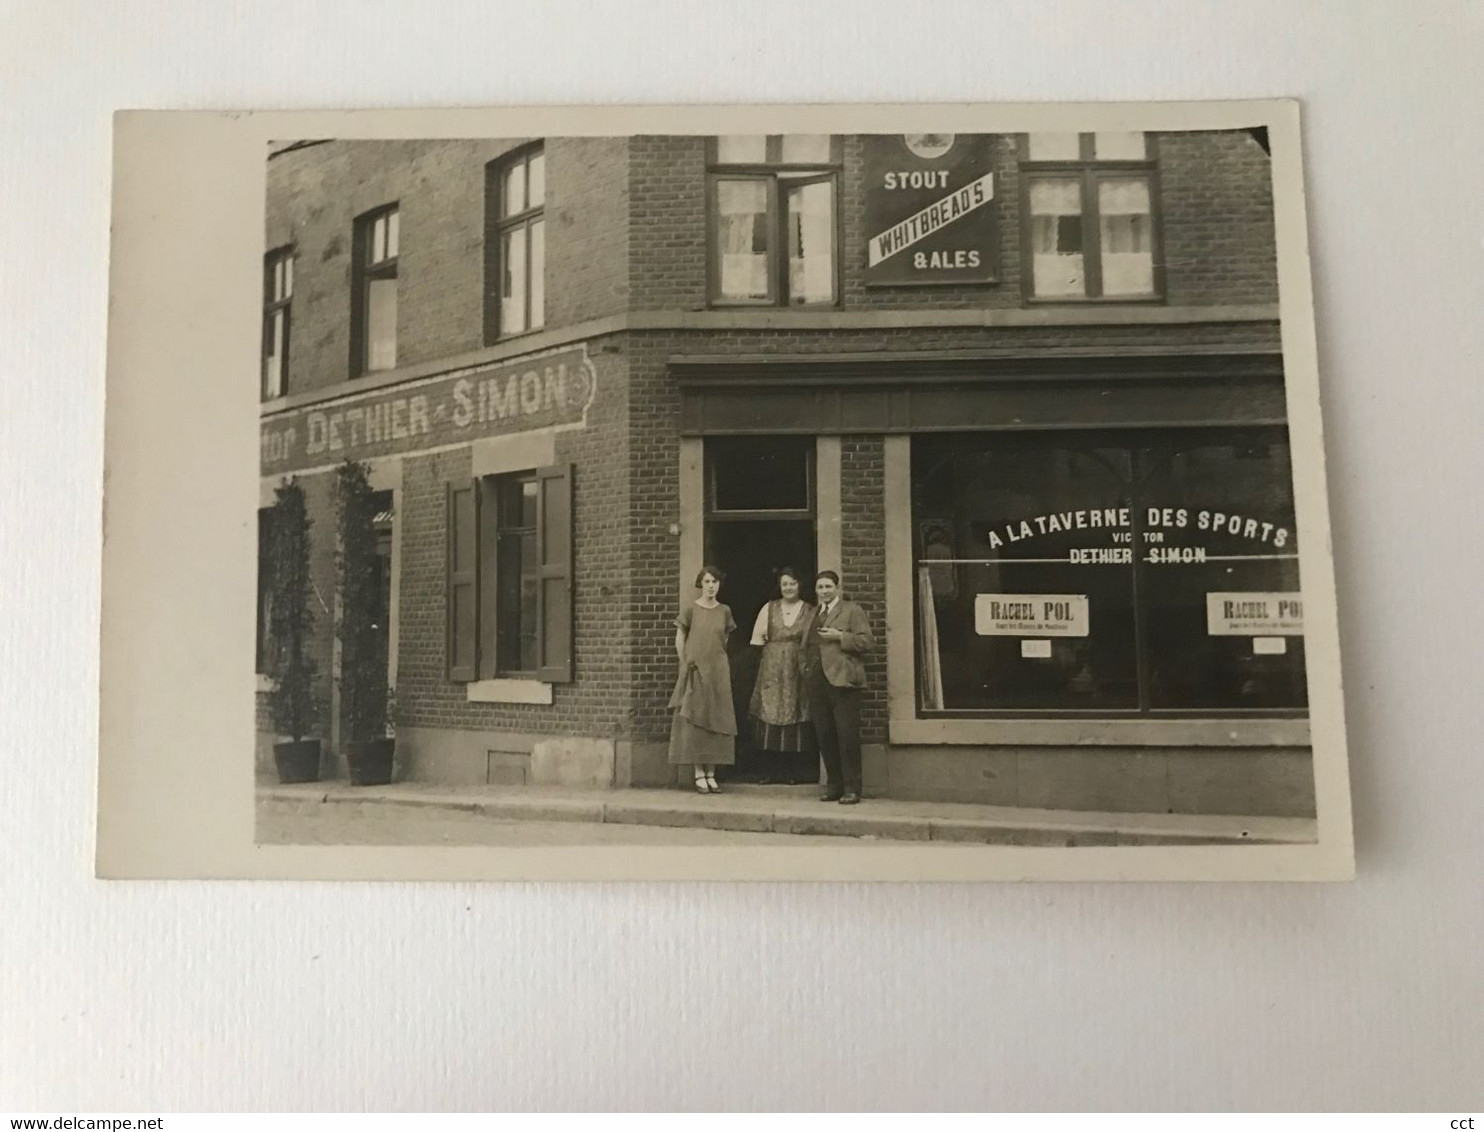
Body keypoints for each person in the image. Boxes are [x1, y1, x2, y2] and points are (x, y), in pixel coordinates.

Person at [800, 570, 875, 804]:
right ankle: (834, 786)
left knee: (847, 735)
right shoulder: (813, 613)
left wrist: (839, 636)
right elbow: (805, 645)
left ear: (837, 588)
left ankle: (852, 788)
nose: (824, 591)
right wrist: (806, 669)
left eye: (828, 587)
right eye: (820, 587)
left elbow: (867, 642)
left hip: (843, 680)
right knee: (825, 734)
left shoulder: (852, 610)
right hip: (817, 681)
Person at [667, 565, 737, 794]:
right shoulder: (691, 610)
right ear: (701, 584)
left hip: (718, 672)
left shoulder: (725, 610)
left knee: (718, 718)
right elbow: (680, 637)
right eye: (707, 582)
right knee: (697, 718)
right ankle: (698, 773)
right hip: (696, 669)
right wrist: (686, 661)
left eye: (714, 582)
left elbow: (725, 638)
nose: (711, 586)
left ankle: (711, 773)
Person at [746, 566, 819, 785]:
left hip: (797, 668)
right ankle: (769, 770)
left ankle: (792, 772)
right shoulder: (768, 609)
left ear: (800, 585)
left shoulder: (809, 610)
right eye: (785, 583)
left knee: (796, 711)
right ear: (780, 586)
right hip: (772, 667)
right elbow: (757, 640)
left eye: (793, 583)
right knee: (769, 712)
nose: (789, 588)